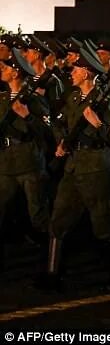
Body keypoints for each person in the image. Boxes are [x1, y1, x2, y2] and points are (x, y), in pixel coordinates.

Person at [42, 48, 110, 294]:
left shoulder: (105, 101)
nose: (72, 74)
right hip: (74, 164)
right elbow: (59, 122)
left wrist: (97, 123)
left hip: (96, 166)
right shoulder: (74, 97)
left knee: (103, 222)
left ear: (87, 72)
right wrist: (61, 142)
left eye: (76, 70)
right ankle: (52, 274)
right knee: (58, 219)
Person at [0, 49, 52, 258]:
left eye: (5, 68)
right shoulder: (2, 98)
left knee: (37, 215)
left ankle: (51, 258)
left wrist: (28, 117)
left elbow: (48, 131)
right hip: (5, 162)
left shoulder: (32, 100)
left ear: (16, 74)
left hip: (29, 163)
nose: (1, 70)